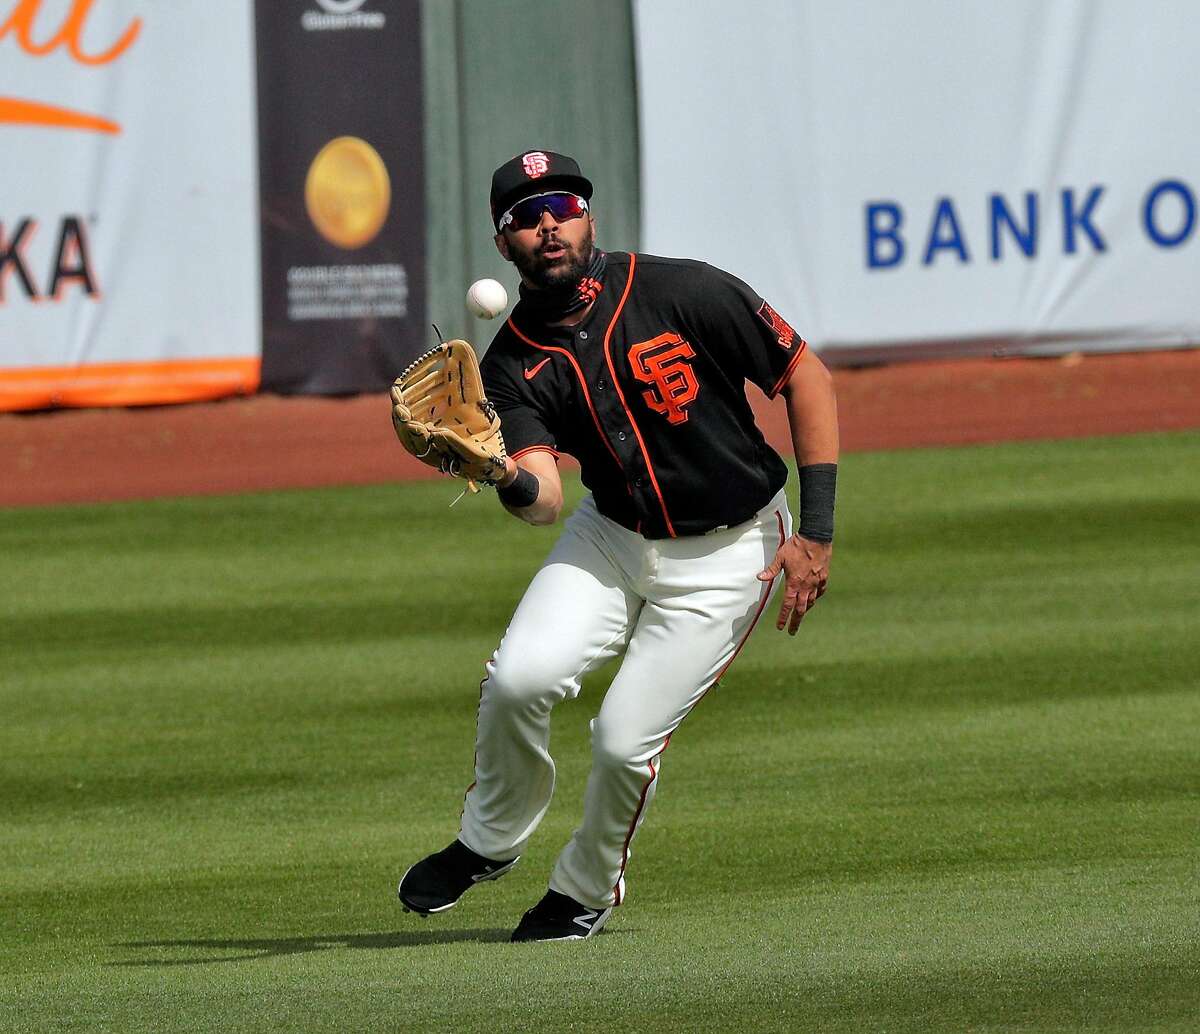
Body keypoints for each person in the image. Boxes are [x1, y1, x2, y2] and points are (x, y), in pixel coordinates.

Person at [398, 149, 839, 942]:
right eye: (525, 218)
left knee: (622, 741)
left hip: (730, 551)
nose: (547, 225)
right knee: (516, 681)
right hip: (611, 535)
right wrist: (499, 469)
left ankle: (585, 888)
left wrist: (818, 530)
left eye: (561, 206)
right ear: (505, 245)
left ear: (588, 215)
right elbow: (545, 499)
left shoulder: (683, 288)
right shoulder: (509, 366)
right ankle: (489, 842)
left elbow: (805, 376)